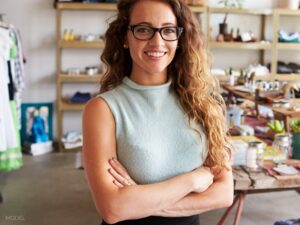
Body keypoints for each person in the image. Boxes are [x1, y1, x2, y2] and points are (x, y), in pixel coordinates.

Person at [82, 0, 233, 224]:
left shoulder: (203, 103)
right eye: (143, 29)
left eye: (169, 30)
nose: (157, 41)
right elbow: (113, 209)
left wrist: (140, 201)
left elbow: (224, 193)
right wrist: (192, 180)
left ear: (180, 39)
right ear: (125, 36)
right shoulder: (103, 110)